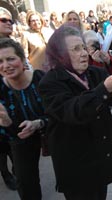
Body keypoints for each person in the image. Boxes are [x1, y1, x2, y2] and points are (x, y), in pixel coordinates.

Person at [38, 24, 112, 200]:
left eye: (84, 47)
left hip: (100, 156)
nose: (84, 53)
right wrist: (103, 90)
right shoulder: (50, 83)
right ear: (60, 55)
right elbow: (73, 111)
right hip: (76, 165)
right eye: (76, 49)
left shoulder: (95, 73)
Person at [0, 38, 47, 199]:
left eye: (10, 59)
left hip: (50, 134)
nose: (5, 65)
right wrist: (6, 123)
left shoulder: (40, 78)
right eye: (0, 61)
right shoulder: (1, 89)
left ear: (22, 59)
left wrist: (38, 123)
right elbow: (10, 135)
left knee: (69, 175)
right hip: (21, 142)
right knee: (26, 183)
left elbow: (57, 113)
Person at [0, 6, 17, 191]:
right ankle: (6, 173)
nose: (9, 23)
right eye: (3, 20)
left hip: (12, 95)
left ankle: (17, 169)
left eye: (10, 20)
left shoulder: (12, 43)